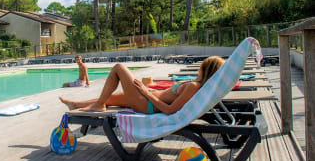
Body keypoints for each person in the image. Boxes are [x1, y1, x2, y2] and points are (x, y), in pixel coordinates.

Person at [59, 56, 225, 115]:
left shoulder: (194, 87)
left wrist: (146, 92)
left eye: (202, 66)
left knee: (119, 68)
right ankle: (75, 104)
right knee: (108, 97)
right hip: (148, 98)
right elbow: (169, 96)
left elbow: (169, 110)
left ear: (206, 70)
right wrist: (151, 88)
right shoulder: (196, 86)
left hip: (147, 104)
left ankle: (99, 105)